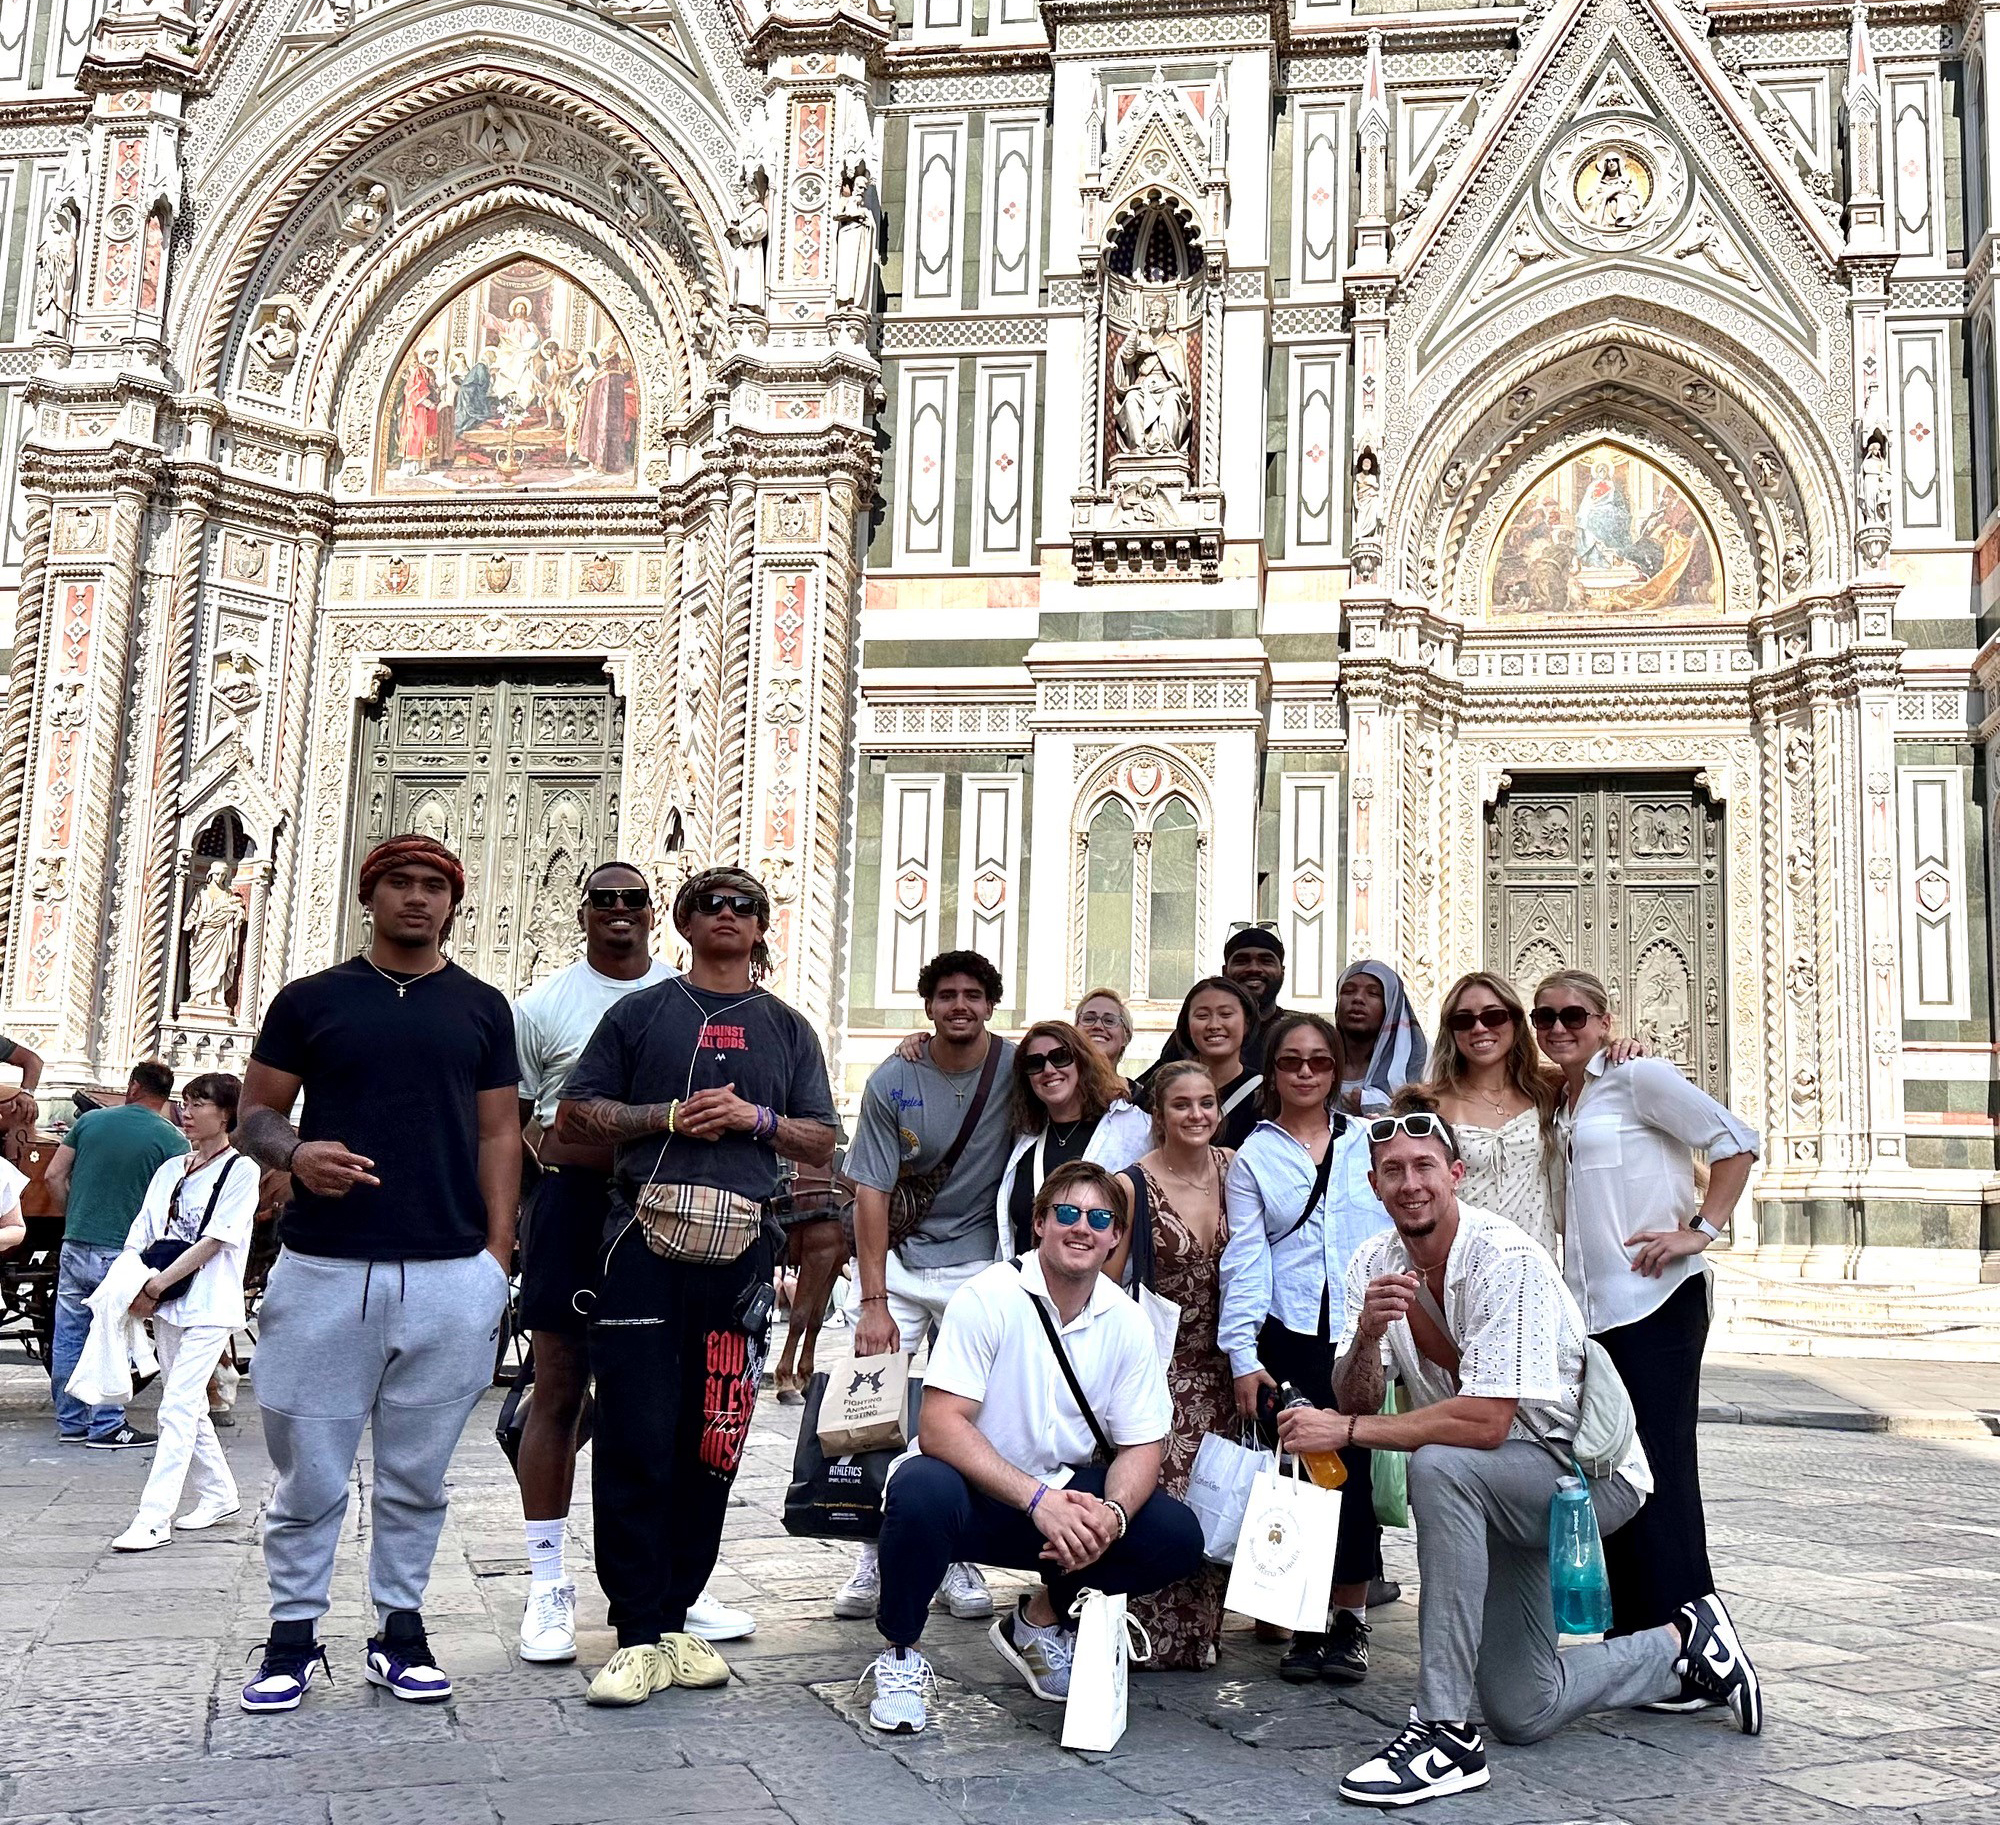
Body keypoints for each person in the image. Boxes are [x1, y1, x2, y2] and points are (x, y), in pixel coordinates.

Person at [1292, 1088, 1758, 1807]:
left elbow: (1481, 1423)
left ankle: (1444, 1729)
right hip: (1498, 1483)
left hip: (1583, 1477)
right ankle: (1682, 1645)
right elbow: (1355, 1393)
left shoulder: (1502, 1256)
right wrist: (1364, 1335)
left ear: (1456, 1173)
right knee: (1524, 1706)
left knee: (1441, 1464)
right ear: (1373, 1183)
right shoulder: (1370, 1262)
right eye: (1393, 1170)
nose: (1409, 1182)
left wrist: (1348, 1433)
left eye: (1424, 1165)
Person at [234, 834, 519, 1713]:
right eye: (400, 882)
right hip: (324, 1267)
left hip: (446, 1271)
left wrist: (495, 1261)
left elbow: (499, 1133)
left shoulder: (479, 1006)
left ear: (453, 902)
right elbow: (253, 1113)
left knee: (416, 1474)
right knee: (311, 1468)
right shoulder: (312, 1000)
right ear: (370, 894)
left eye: (435, 885)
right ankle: (291, 1634)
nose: (418, 898)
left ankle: (400, 1627)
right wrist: (296, 1148)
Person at [557, 866, 838, 1707]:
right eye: (711, 904)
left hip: (744, 1247)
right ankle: (635, 1631)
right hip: (643, 1242)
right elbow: (577, 1112)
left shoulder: (787, 1029)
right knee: (638, 1431)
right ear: (681, 922)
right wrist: (667, 1117)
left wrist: (755, 1120)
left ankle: (677, 1618)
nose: (727, 915)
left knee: (715, 1434)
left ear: (761, 927)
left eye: (743, 906)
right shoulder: (642, 1012)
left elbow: (821, 1138)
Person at [858, 1160, 1205, 1734]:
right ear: (1039, 1223)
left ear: (1115, 1236)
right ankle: (899, 1655)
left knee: (1173, 1534)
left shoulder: (1127, 1320)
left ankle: (1038, 1623)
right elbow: (942, 1426)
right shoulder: (988, 1296)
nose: (1082, 1228)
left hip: (1056, 1496)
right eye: (1066, 1213)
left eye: (1099, 1218)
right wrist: (1038, 1500)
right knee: (920, 1487)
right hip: (971, 1492)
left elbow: (1144, 1445)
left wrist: (1111, 1518)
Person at [1533, 970, 1759, 1646]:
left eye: (1574, 1014)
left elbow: (1737, 1141)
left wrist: (1701, 1228)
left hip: (1657, 1300)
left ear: (1605, 1021)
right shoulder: (1561, 1102)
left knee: (1663, 1468)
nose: (1558, 1028)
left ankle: (1693, 1640)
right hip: (1594, 1311)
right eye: (1544, 1017)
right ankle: (1639, 1637)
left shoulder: (1640, 1077)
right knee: (1614, 1468)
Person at [512, 861, 682, 1664]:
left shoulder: (691, 997)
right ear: (580, 912)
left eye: (633, 900)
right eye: (603, 900)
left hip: (670, 1212)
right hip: (575, 1205)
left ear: (655, 912)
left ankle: (667, 1580)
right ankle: (547, 1583)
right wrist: (506, 1232)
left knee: (663, 1397)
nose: (620, 912)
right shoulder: (542, 1006)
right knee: (557, 1388)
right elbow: (512, 1127)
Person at [838, 949, 1017, 1625]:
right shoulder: (895, 1076)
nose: (960, 1006)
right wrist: (874, 1301)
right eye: (947, 995)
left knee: (967, 1416)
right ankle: (869, 1550)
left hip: (981, 1267)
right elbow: (871, 1191)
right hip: (905, 1268)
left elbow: (1074, 1080)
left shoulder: (1014, 1068)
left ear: (991, 1004)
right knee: (869, 1407)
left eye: (973, 994)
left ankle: (957, 1549)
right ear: (929, 1006)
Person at [1218, 1012, 1391, 1684]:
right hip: (1285, 1330)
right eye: (1292, 1061)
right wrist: (1242, 1352)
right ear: (1274, 1069)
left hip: (1354, 1330)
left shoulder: (1366, 1143)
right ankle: (1300, 1619)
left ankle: (1349, 1619)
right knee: (1296, 1476)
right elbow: (1244, 1255)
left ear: (1336, 1066)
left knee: (1353, 1471)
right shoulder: (1255, 1155)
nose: (1307, 1072)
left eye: (1320, 1060)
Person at [1108, 1061, 1235, 1668]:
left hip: (1229, 1366)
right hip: (1163, 1364)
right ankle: (1139, 1632)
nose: (1196, 1115)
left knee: (1221, 1493)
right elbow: (1105, 1284)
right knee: (1167, 1496)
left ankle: (1200, 1636)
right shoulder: (1131, 1185)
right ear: (1159, 1115)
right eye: (1181, 1104)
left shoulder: (1236, 1170)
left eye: (1206, 1103)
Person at [109, 1074, 256, 1552]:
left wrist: (157, 1282)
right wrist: (134, 1279)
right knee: (184, 1403)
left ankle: (153, 1518)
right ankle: (219, 1493)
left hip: (210, 1303)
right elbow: (143, 1228)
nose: (187, 1113)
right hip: (170, 1303)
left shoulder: (241, 1171)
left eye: (199, 1104)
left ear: (226, 1113)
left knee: (174, 1407)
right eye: (185, 1103)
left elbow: (216, 1240)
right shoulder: (171, 1168)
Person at [44, 1060, 189, 1449]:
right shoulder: (173, 1140)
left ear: (133, 1086)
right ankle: (107, 1424)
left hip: (76, 1242)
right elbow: (176, 1202)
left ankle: (71, 1421)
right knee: (114, 1335)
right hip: (123, 1252)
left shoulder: (90, 1123)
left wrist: (73, 1215)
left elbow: (53, 1176)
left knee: (70, 1333)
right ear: (166, 1095)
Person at [1427, 972, 1561, 1257]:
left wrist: (1615, 1048)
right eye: (1463, 1020)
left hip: (1536, 1263)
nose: (1479, 1028)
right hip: (1465, 1262)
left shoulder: (1545, 1090)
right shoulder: (1431, 1106)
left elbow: (1595, 1070)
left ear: (1514, 1021)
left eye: (1493, 1016)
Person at [996, 1019, 1150, 1254]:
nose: (1048, 1070)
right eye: (1034, 1063)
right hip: (1025, 1285)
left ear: (1082, 1061)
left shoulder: (1133, 1128)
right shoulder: (1023, 1138)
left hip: (1102, 1286)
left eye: (1060, 1057)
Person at [1147, 925, 1292, 1077]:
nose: (1253, 968)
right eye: (1242, 961)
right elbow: (1152, 1088)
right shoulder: (1197, 1035)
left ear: (1282, 972)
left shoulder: (1296, 1031)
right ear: (1225, 972)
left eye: (1266, 961)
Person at [1140, 976, 1265, 1148]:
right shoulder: (1162, 1083)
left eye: (1226, 1014)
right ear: (1187, 1025)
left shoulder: (1264, 1094)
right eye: (1202, 1016)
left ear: (1247, 1022)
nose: (1214, 1025)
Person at [1333, 960, 1428, 1113]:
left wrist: (1370, 1105)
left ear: (1390, 1008)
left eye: (1373, 993)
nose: (1358, 999)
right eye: (1348, 991)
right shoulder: (1320, 1061)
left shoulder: (1420, 1064)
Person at [1074, 988, 1135, 1086]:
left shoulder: (1143, 1098)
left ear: (1126, 1037)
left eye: (1109, 1021)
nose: (1098, 1026)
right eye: (1089, 1019)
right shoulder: (1054, 1093)